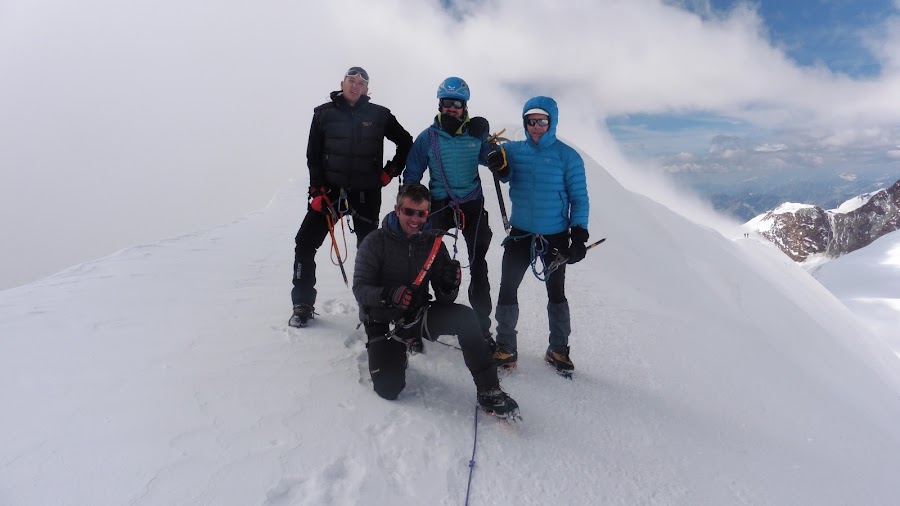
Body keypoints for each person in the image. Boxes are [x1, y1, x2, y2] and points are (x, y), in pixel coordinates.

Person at [352, 183, 519, 418]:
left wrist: (449, 284)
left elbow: (444, 298)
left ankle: (489, 389)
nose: (415, 219)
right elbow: (360, 289)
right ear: (397, 209)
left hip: (418, 316)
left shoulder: (433, 243)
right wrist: (389, 295)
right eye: (409, 211)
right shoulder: (375, 241)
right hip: (384, 321)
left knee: (466, 318)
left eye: (421, 213)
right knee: (389, 389)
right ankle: (396, 350)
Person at [290, 67, 413, 328]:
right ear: (342, 83)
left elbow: (406, 142)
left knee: (369, 251)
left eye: (361, 83)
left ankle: (373, 306)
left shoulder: (380, 115)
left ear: (367, 89)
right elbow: (313, 155)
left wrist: (390, 172)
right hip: (329, 193)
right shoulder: (323, 114)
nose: (355, 86)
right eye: (351, 81)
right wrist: (316, 190)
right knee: (304, 242)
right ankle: (302, 303)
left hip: (366, 192)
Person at [485, 96, 590, 375]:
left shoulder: (568, 157)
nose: (536, 127)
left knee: (556, 292)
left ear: (551, 121)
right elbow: (493, 160)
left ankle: (558, 348)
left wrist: (579, 235)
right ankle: (506, 346)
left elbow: (579, 199)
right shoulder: (515, 151)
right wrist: (492, 157)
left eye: (542, 121)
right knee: (508, 286)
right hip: (521, 234)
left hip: (555, 236)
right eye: (531, 121)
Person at [402, 77, 495, 339]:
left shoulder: (475, 135)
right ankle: (415, 323)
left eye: (457, 103)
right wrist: (410, 208)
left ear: (465, 106)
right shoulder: (428, 138)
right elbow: (412, 174)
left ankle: (482, 328)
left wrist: (491, 146)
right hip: (439, 205)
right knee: (425, 261)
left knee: (478, 265)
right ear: (439, 104)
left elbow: (497, 163)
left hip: (472, 205)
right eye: (447, 103)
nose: (451, 108)